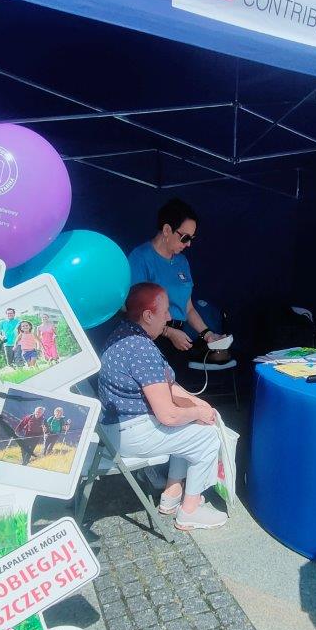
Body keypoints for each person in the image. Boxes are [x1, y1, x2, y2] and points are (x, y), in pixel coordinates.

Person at [98, 282, 227, 530]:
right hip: (130, 434)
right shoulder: (141, 349)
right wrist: (198, 412)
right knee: (208, 436)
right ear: (148, 315)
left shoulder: (124, 334)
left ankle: (171, 495)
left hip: (115, 429)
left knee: (189, 424)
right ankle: (190, 511)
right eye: (165, 311)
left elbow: (165, 383)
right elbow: (168, 415)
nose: (169, 317)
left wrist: (197, 404)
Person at [128, 199, 225, 359]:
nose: (189, 244)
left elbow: (188, 308)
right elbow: (134, 311)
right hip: (151, 339)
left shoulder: (182, 261)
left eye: (192, 238)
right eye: (185, 238)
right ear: (167, 229)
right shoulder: (140, 258)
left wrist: (208, 335)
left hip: (180, 336)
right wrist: (168, 332)